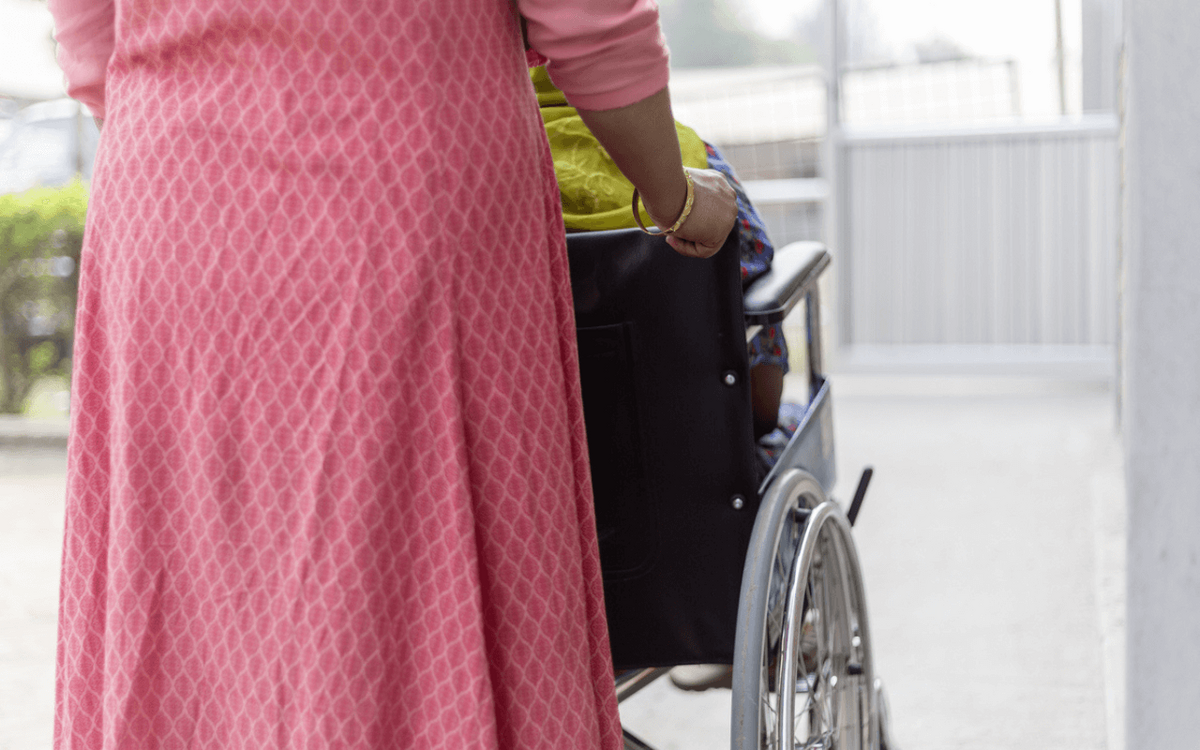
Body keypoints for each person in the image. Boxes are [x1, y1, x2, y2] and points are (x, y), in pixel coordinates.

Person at [46, 0, 737, 748]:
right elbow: (592, 26)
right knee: (399, 595)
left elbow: (87, 32)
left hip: (171, 202)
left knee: (191, 595)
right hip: (399, 190)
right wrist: (675, 199)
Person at [529, 64, 795, 451]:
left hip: (554, 457)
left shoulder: (497, 184)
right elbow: (763, 405)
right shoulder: (700, 170)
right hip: (705, 455)